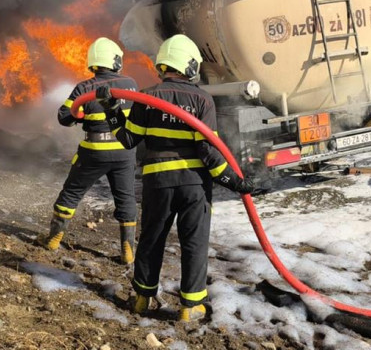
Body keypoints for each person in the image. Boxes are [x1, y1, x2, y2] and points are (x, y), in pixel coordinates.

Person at [98, 34, 254, 323]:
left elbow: (128, 139)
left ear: (163, 66)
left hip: (158, 183)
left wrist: (111, 110)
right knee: (194, 241)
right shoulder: (202, 99)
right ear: (191, 66)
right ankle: (190, 306)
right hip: (194, 184)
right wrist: (234, 182)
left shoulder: (146, 97)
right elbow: (209, 152)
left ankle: (143, 298)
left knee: (152, 239)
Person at [38, 37, 139, 264]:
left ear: (94, 63)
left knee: (72, 192)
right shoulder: (131, 84)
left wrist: (79, 114)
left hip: (94, 150)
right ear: (115, 61)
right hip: (125, 150)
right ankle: (127, 250)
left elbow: (64, 117)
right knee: (125, 197)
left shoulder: (85, 88)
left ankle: (53, 239)